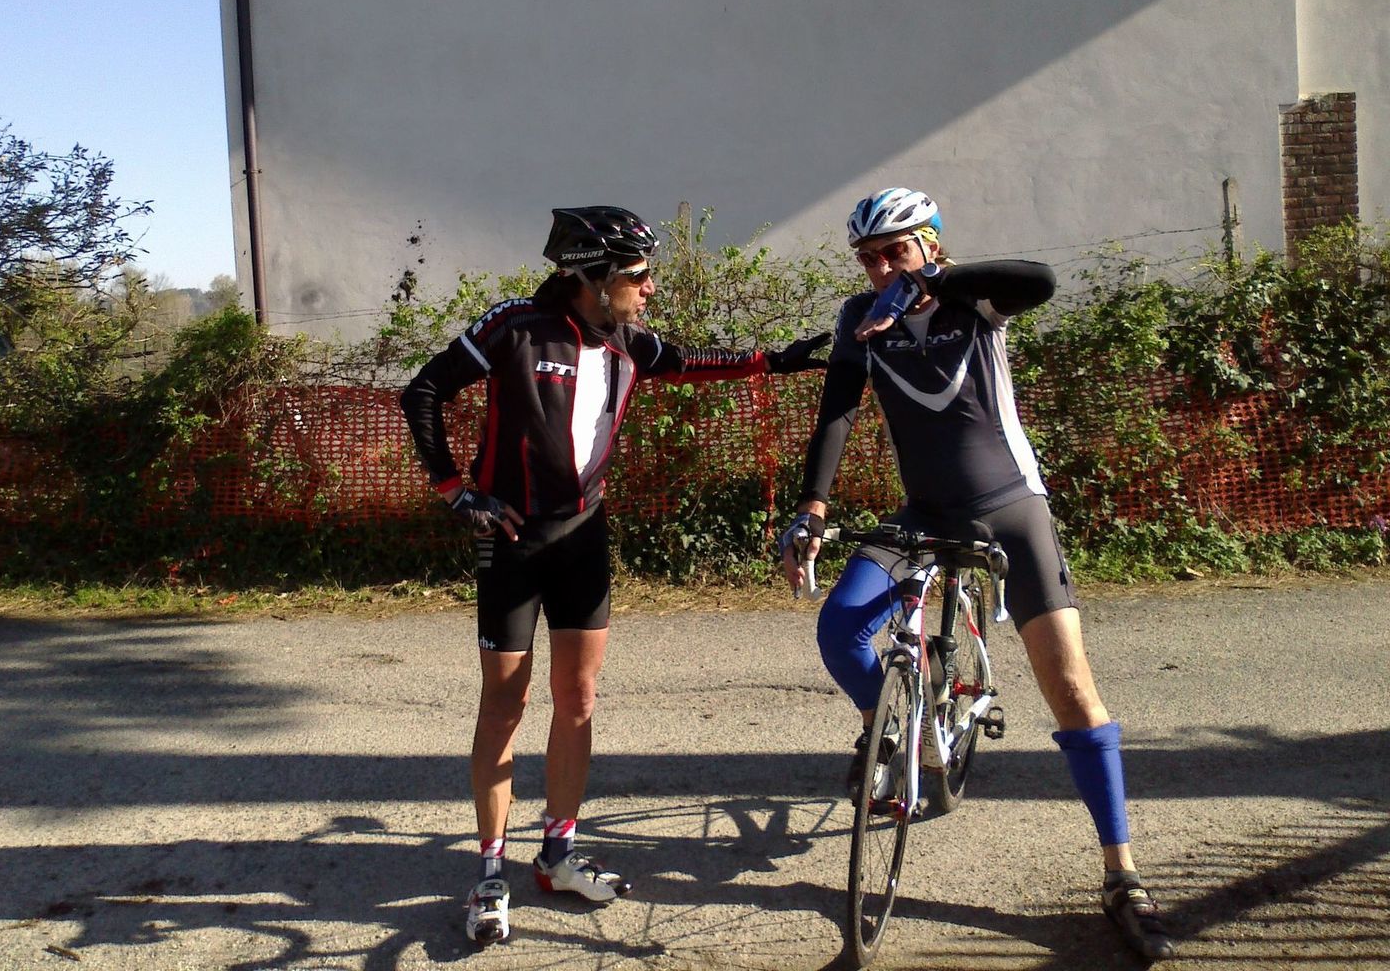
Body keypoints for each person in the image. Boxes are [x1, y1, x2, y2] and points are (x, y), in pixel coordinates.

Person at [402, 205, 830, 947]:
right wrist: (456, 491)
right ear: (591, 279)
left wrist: (778, 361)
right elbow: (423, 392)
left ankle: (557, 854)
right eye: (637, 276)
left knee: (578, 697)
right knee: (505, 704)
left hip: (583, 538)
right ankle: (491, 870)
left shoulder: (629, 342)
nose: (650, 287)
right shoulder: (515, 326)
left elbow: (695, 360)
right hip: (511, 542)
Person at [778, 187, 1175, 963]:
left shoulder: (974, 302)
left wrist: (931, 282)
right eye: (868, 257)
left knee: (1072, 691)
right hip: (924, 512)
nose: (879, 268)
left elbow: (1040, 280)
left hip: (1010, 511)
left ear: (931, 243)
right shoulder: (862, 317)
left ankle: (1122, 875)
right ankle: (897, 726)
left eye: (895, 251)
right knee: (840, 628)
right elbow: (838, 410)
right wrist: (812, 509)